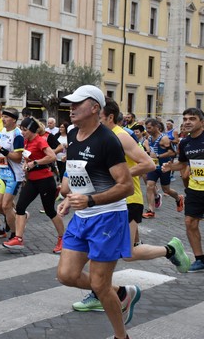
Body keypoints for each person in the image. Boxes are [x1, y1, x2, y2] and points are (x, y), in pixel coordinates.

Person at [71, 98, 189, 313]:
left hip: (126, 200)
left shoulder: (121, 136)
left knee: (124, 252)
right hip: (107, 203)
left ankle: (169, 250)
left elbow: (147, 163)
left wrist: (117, 176)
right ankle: (105, 292)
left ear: (108, 117)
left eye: (99, 117)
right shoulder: (94, 136)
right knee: (115, 251)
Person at [56, 85, 139, 339]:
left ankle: (121, 336)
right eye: (70, 103)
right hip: (81, 217)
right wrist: (69, 198)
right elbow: (76, 171)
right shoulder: (71, 133)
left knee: (99, 285)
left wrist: (90, 200)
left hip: (108, 218)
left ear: (95, 108)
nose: (71, 108)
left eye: (78, 104)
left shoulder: (108, 141)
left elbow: (125, 186)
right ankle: (122, 293)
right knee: (66, 275)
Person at [2, 117, 64, 253]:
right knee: (20, 207)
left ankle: (63, 238)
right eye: (22, 129)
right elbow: (26, 157)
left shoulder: (40, 141)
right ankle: (18, 238)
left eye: (24, 130)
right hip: (31, 180)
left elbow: (52, 156)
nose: (22, 132)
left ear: (31, 130)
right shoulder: (25, 141)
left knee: (50, 211)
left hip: (45, 180)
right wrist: (26, 166)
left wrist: (35, 163)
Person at [162, 108, 204, 272]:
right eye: (185, 118)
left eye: (192, 119)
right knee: (190, 222)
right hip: (195, 189)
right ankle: (200, 259)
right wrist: (170, 166)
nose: (187, 121)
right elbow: (183, 163)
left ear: (201, 122)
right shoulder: (185, 143)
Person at [0, 108, 24, 239]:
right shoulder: (3, 131)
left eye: (6, 117)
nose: (3, 119)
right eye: (2, 116)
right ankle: (19, 216)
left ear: (14, 120)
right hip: (2, 174)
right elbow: (1, 152)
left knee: (5, 206)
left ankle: (15, 234)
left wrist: (1, 150)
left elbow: (17, 157)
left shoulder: (18, 134)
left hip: (14, 175)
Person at [143, 118, 184, 218]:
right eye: (146, 128)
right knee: (149, 186)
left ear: (156, 127)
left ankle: (179, 198)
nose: (147, 130)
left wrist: (158, 156)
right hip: (154, 167)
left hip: (164, 167)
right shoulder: (149, 138)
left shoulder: (164, 138)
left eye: (149, 128)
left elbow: (172, 152)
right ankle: (150, 211)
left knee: (166, 190)